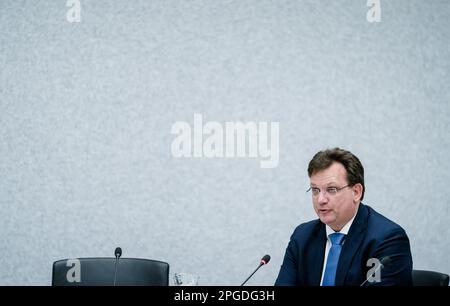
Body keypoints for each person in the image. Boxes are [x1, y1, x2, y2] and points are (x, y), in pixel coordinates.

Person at [275, 148, 413, 286]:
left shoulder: (387, 239)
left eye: (331, 189)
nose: (320, 199)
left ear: (356, 192)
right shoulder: (302, 236)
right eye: (315, 190)